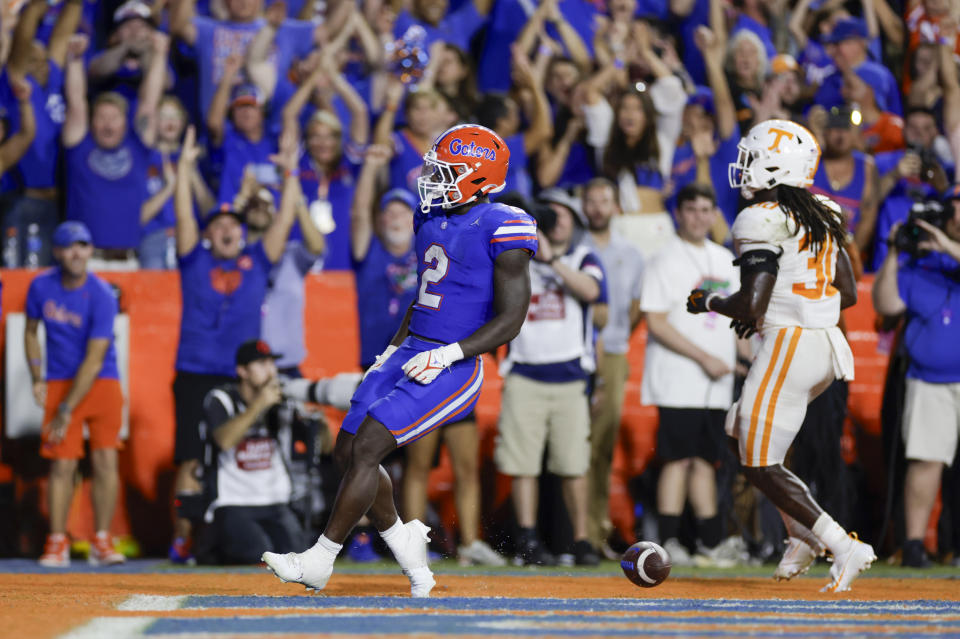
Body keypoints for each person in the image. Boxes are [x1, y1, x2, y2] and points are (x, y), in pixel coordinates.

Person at [263, 124, 537, 597]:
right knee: (347, 451)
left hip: (454, 362)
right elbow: (425, 299)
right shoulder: (430, 217)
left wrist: (449, 353)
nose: (432, 178)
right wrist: (389, 351)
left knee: (369, 447)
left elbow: (512, 318)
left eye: (445, 170)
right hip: (411, 346)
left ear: (477, 176)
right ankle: (406, 542)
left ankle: (320, 559)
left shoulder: (504, 224)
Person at [690, 118, 874, 592]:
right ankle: (802, 535)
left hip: (790, 344)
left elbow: (751, 303)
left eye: (751, 157)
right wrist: (790, 302)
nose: (744, 166)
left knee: (757, 460)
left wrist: (708, 301)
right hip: (825, 345)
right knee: (739, 433)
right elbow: (848, 292)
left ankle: (839, 542)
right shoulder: (822, 210)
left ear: (774, 166)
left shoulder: (761, 217)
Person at [168, 125, 300, 563]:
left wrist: (291, 176)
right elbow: (184, 218)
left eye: (234, 224)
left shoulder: (258, 259)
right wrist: (184, 169)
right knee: (189, 457)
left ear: (242, 233)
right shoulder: (195, 259)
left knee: (242, 448)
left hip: (238, 373)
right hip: (194, 369)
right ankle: (183, 541)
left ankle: (230, 528)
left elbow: (282, 221)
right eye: (219, 224)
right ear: (210, 234)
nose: (227, 230)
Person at [494, 190, 605, 567]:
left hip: (570, 374)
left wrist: (552, 258)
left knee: (574, 464)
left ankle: (581, 539)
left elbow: (591, 290)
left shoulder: (581, 257)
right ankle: (526, 539)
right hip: (524, 372)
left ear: (574, 222)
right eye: (547, 215)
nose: (555, 221)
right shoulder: (514, 259)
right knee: (522, 464)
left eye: (562, 215)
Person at [641, 182, 743, 566]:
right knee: (677, 460)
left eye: (706, 210)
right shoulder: (663, 258)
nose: (700, 217)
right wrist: (704, 358)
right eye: (692, 209)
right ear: (678, 214)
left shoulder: (724, 260)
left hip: (715, 383)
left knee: (705, 461)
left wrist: (748, 361)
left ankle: (710, 542)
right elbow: (655, 322)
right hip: (677, 380)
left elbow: (735, 323)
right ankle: (669, 543)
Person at [25, 221, 125, 567]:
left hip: (101, 381)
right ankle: (57, 541)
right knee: (61, 463)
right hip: (59, 381)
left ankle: (101, 539)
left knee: (104, 459)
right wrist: (37, 375)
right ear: (56, 252)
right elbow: (31, 330)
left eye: (83, 246)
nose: (77, 253)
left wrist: (67, 407)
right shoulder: (41, 287)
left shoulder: (101, 294)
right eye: (69, 246)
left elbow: (96, 359)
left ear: (90, 250)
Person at [872, 188, 960, 568]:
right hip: (931, 380)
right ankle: (912, 544)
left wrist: (947, 246)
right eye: (953, 209)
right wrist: (893, 253)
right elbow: (886, 304)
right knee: (925, 462)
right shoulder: (919, 267)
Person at [580, 178, 645, 555]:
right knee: (574, 448)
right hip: (573, 352)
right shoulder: (573, 247)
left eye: (605, 200)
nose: (599, 207)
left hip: (614, 353)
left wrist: (615, 343)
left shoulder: (632, 254)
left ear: (616, 206)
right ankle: (576, 532)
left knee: (602, 447)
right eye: (592, 200)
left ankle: (596, 531)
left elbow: (635, 308)